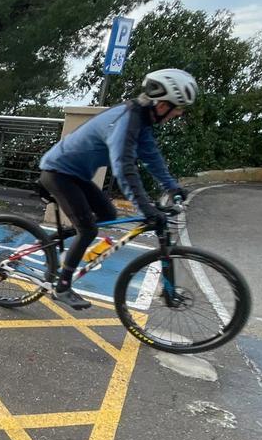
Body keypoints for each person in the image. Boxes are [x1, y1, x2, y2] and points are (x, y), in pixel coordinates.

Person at [37, 68, 197, 310]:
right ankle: (62, 287)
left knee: (108, 215)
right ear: (162, 105)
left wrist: (172, 186)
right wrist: (145, 207)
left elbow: (152, 158)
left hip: (76, 175)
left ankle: (60, 238)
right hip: (58, 173)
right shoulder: (126, 120)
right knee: (89, 230)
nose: (176, 115)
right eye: (177, 109)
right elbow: (124, 167)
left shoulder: (141, 121)